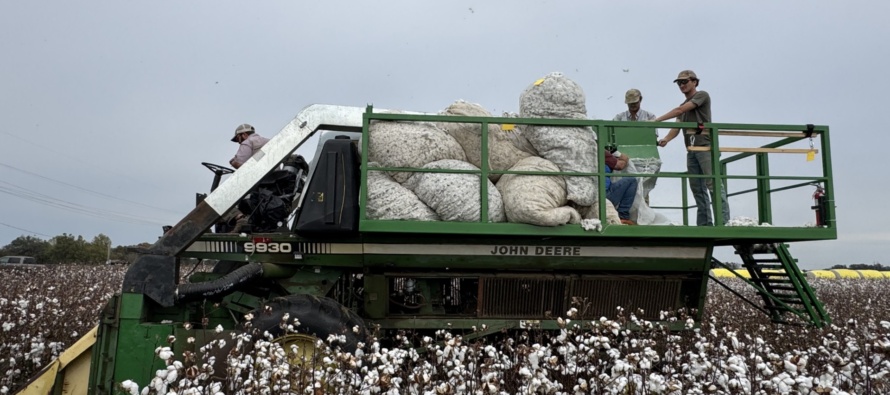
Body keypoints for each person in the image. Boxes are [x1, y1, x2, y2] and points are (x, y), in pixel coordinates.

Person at [652, 70, 730, 226]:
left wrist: (655, 121)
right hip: (692, 150)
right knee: (697, 188)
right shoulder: (684, 105)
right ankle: (705, 224)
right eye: (679, 83)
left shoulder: (702, 96)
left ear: (695, 82)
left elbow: (679, 111)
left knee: (713, 184)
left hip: (705, 147)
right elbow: (677, 126)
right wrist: (666, 139)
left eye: (685, 81)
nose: (682, 85)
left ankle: (724, 222)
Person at [604, 149, 638, 225]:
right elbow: (620, 165)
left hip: (588, 194)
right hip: (604, 197)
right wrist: (624, 158)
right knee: (631, 181)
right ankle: (623, 216)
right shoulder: (600, 151)